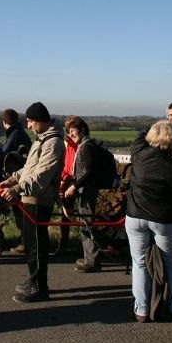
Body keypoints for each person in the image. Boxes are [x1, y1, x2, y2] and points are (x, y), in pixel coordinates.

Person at [0, 102, 65, 303]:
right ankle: (34, 280)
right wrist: (11, 179)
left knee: (36, 244)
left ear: (40, 120)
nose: (28, 125)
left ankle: (39, 287)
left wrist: (17, 189)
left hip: (38, 198)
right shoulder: (41, 140)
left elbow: (41, 174)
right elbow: (29, 168)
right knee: (30, 243)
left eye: (30, 121)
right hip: (30, 197)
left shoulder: (53, 143)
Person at [125, 120, 172, 323]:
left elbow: (138, 137)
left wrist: (155, 125)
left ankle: (141, 310)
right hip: (164, 219)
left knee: (139, 263)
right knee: (169, 263)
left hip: (135, 216)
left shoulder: (139, 155)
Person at [63, 116, 101, 272]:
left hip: (87, 190)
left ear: (82, 130)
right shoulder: (85, 145)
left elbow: (88, 172)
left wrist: (74, 186)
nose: (71, 134)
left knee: (87, 224)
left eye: (74, 130)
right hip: (85, 190)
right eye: (69, 131)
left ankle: (92, 261)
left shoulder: (86, 147)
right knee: (84, 223)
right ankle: (88, 257)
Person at [56, 133, 78, 255]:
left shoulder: (75, 146)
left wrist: (63, 179)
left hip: (72, 183)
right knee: (65, 214)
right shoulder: (68, 145)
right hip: (66, 182)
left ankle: (63, 244)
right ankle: (63, 244)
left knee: (67, 214)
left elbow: (71, 168)